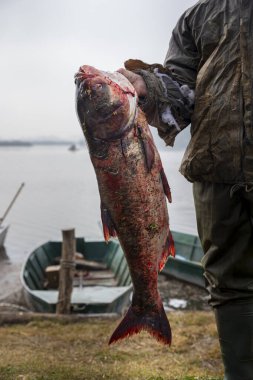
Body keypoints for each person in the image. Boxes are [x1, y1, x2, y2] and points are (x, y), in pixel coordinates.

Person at [118, 1, 253, 379]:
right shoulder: (199, 16)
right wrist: (149, 86)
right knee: (228, 286)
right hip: (216, 168)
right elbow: (181, 90)